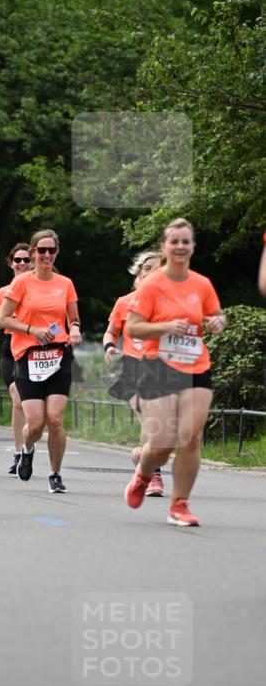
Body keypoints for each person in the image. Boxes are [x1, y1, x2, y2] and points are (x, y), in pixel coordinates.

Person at [124, 218, 226, 526]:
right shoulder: (154, 284)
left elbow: (215, 315)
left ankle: (179, 505)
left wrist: (218, 322)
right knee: (163, 443)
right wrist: (166, 326)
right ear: (164, 247)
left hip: (197, 365)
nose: (180, 246)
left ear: (193, 247)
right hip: (160, 367)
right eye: (174, 241)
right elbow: (133, 327)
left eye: (186, 241)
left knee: (192, 437)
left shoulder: (201, 284)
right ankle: (143, 474)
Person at [0, 229, 82, 490]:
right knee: (35, 424)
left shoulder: (65, 283)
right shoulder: (21, 283)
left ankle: (55, 474)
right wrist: (32, 330)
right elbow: (2, 319)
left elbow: (73, 318)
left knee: (55, 419)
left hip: (57, 356)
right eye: (41, 250)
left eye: (51, 250)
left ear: (56, 253)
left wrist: (76, 328)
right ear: (33, 253)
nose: (46, 255)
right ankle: (27, 447)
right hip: (28, 357)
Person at [103, 250, 162, 494]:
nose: (153, 272)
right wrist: (109, 346)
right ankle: (154, 476)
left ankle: (143, 460)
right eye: (148, 267)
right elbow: (111, 332)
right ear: (139, 272)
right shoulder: (124, 303)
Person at [0, 243, 31, 475]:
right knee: (17, 398)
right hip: (10, 347)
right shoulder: (3, 292)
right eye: (18, 260)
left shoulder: (42, 289)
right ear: (11, 263)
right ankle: (19, 452)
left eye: (26, 259)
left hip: (34, 349)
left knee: (31, 404)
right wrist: (7, 320)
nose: (22, 264)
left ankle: (28, 445)